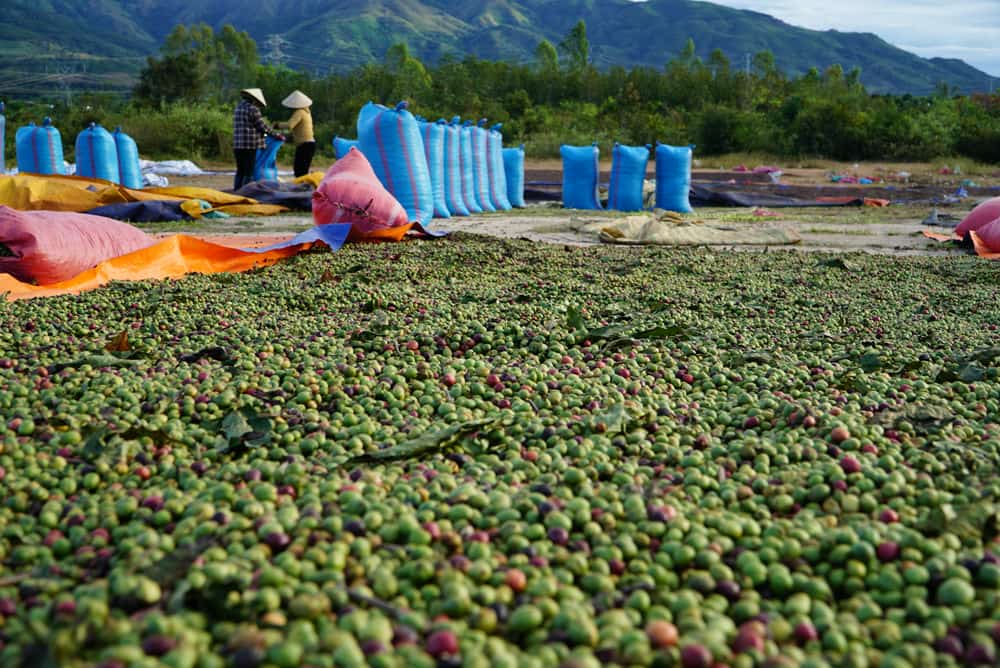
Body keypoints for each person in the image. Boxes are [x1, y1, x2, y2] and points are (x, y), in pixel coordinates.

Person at [232, 88, 284, 190]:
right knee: (248, 171)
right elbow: (262, 127)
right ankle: (246, 192)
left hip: (237, 145)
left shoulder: (238, 107)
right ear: (254, 99)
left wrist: (265, 134)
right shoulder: (253, 109)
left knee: (240, 170)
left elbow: (254, 128)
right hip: (249, 145)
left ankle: (236, 191)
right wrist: (275, 135)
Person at [277, 90, 316, 177]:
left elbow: (290, 125)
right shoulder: (307, 112)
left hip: (305, 145)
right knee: (302, 169)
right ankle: (302, 187)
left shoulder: (300, 112)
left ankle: (301, 188)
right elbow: (298, 130)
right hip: (309, 144)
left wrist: (277, 125)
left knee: (299, 170)